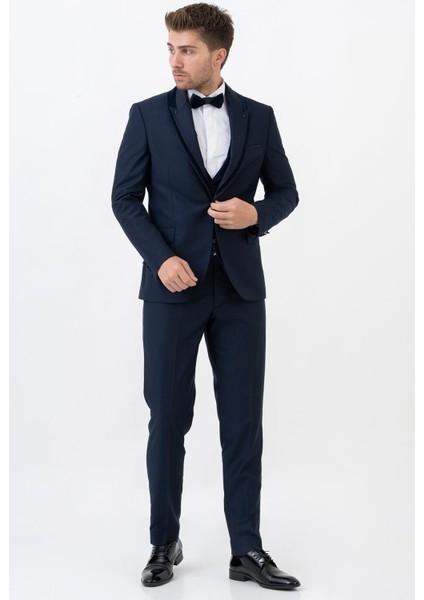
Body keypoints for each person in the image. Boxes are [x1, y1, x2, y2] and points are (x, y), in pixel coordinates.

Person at [112, 2, 300, 591]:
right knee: (168, 419)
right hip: (172, 291)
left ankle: (247, 549)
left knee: (243, 422)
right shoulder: (147, 115)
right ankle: (163, 541)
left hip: (240, 292)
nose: (175, 60)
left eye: (187, 50)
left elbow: (287, 192)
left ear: (219, 55)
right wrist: (161, 258)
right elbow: (124, 198)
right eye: (170, 48)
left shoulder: (259, 117)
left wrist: (256, 214)